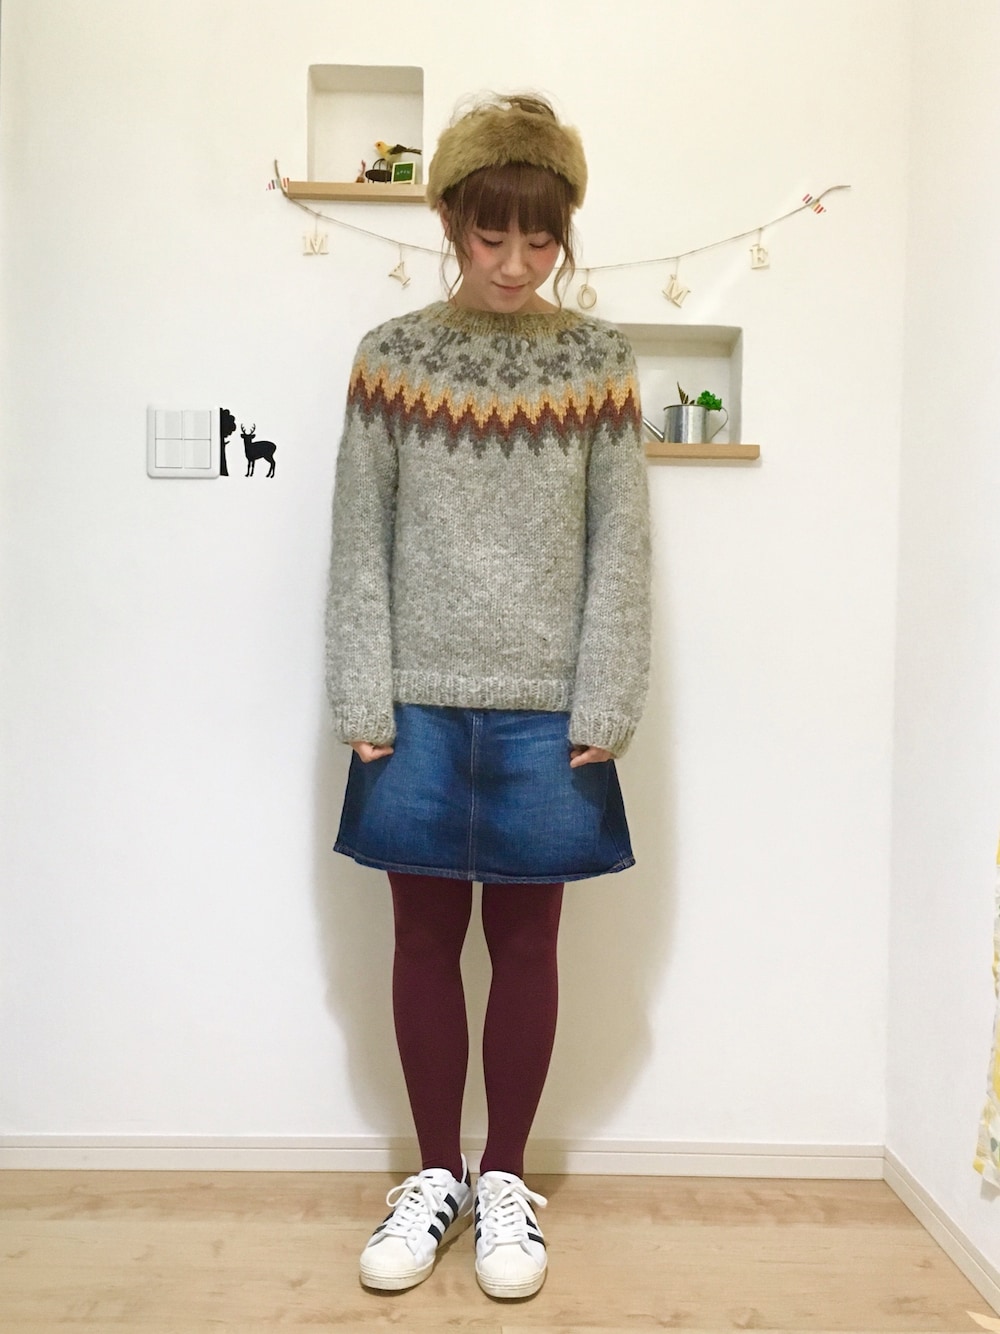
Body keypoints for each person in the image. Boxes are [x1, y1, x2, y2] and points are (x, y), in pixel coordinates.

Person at [324, 92, 651, 1301]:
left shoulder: (598, 362)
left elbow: (621, 543)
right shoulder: (391, 358)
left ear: (564, 230)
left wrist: (606, 692)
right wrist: (360, 686)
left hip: (549, 708)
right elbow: (359, 537)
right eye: (490, 233)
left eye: (539, 236)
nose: (515, 262)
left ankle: (505, 1177)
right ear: (450, 221)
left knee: (528, 942)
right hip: (411, 699)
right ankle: (434, 1175)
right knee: (419, 938)